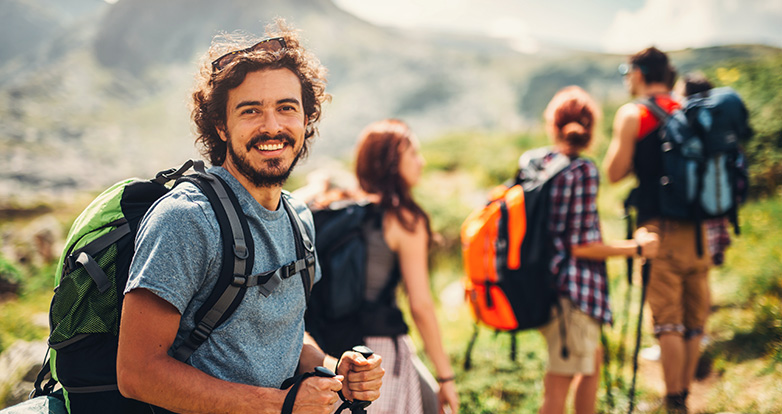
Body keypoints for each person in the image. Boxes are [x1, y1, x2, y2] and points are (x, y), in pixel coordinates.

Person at [115, 19, 384, 414]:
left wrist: (332, 368)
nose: (272, 126)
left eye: (286, 108)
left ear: (306, 119)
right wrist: (281, 404)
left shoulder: (299, 219)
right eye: (251, 110)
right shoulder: (187, 220)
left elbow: (280, 336)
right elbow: (137, 373)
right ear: (221, 126)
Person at [533, 86, 659, 414]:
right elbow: (581, 246)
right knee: (559, 385)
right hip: (572, 293)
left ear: (553, 124)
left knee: (591, 366)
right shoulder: (582, 170)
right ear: (591, 126)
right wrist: (636, 248)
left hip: (548, 288)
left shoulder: (539, 162)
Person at [604, 47, 712, 412]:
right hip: (699, 231)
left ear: (638, 74)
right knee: (694, 321)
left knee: (668, 322)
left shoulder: (634, 114)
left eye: (627, 72)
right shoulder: (690, 109)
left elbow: (614, 172)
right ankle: (684, 395)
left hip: (657, 230)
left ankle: (673, 401)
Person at [339, 119, 460, 414]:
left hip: (335, 346)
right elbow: (420, 304)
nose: (422, 161)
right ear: (392, 163)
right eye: (413, 154)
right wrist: (446, 376)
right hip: (380, 351)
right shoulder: (404, 220)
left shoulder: (342, 208)